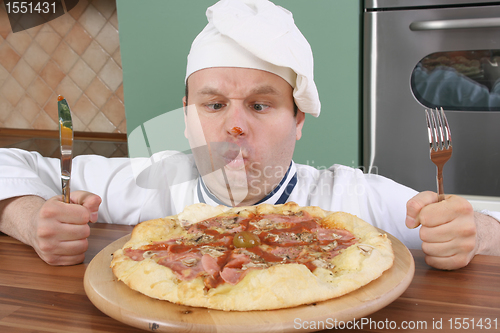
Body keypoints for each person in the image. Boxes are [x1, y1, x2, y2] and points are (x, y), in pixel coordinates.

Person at [0, 0, 499, 270]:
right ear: (186, 116)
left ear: (299, 120)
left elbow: (482, 230)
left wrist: (471, 233)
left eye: (260, 105)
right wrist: (29, 218)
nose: (233, 124)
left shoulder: (351, 198)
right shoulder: (142, 183)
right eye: (213, 105)